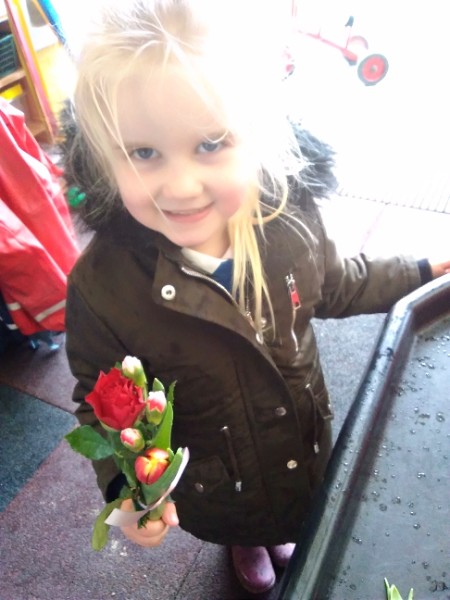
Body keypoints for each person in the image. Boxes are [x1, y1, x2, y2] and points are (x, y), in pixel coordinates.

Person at [64, 0, 450, 595]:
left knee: (304, 505)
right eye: (143, 152)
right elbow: (100, 399)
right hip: (220, 477)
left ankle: (281, 530)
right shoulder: (104, 287)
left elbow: (338, 283)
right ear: (102, 156)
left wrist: (421, 271)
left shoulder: (287, 220)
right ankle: (245, 540)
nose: (180, 185)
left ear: (259, 134)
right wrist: (124, 490)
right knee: (244, 519)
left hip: (300, 434)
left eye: (210, 143)